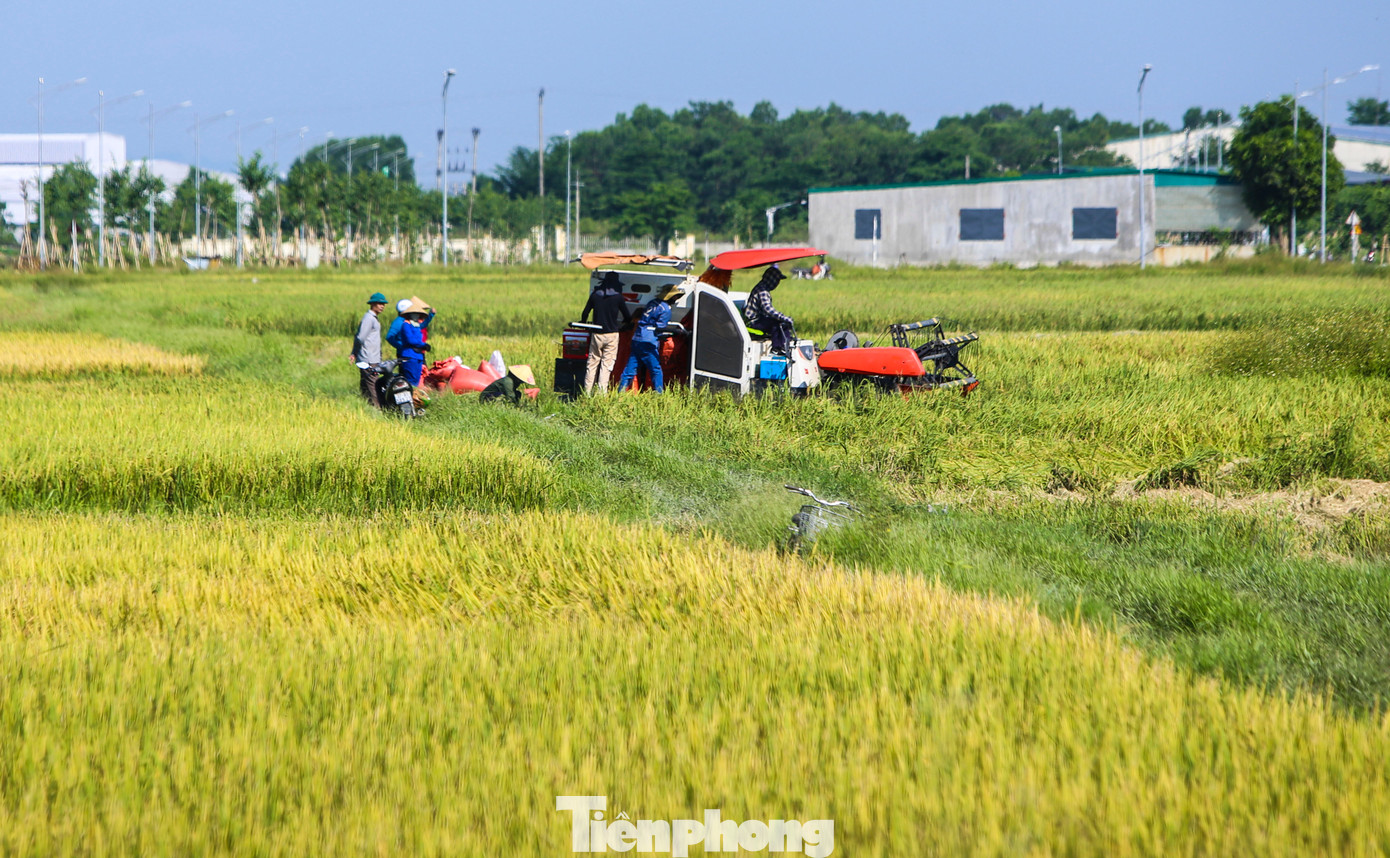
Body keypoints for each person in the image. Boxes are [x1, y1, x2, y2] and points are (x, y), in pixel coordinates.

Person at [580, 271, 633, 393]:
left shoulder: (595, 295)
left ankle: (587, 392)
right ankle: (601, 394)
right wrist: (627, 322)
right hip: (611, 334)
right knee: (606, 365)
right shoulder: (618, 297)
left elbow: (585, 312)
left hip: (597, 334)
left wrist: (583, 321)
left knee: (592, 364)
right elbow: (627, 316)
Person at [617, 287, 677, 393]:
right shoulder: (665, 309)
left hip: (637, 338)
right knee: (656, 370)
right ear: (670, 297)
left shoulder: (652, 303)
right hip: (648, 341)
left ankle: (619, 392)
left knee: (629, 370)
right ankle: (659, 395)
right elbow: (660, 328)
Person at [742, 264, 794, 354]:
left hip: (760, 318)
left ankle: (785, 344)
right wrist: (783, 317)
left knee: (781, 323)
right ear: (772, 280)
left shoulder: (763, 288)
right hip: (754, 321)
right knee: (778, 324)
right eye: (777, 281)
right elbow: (768, 309)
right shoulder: (762, 291)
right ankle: (777, 348)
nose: (777, 283)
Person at [350, 292, 389, 406]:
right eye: (379, 303)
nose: (382, 306)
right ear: (372, 304)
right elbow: (360, 337)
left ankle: (365, 407)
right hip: (368, 358)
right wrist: (354, 352)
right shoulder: (369, 318)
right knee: (373, 385)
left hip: (371, 357)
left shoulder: (373, 318)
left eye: (383, 304)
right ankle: (377, 409)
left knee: (366, 385)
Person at [395, 299, 433, 387]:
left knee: (416, 380)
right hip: (410, 355)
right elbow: (410, 340)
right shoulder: (406, 325)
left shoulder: (416, 325)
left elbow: (424, 324)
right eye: (414, 313)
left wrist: (431, 315)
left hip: (418, 356)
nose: (417, 315)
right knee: (411, 380)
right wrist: (423, 345)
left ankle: (415, 398)